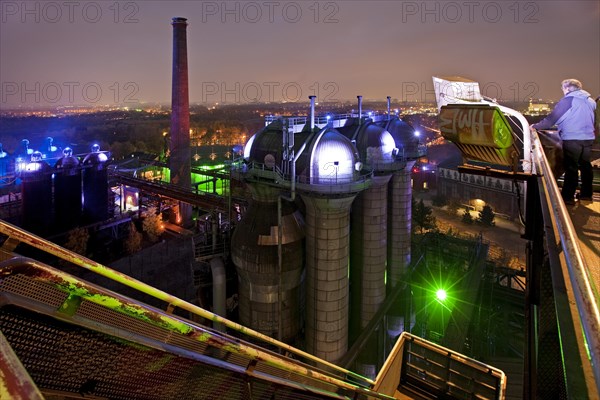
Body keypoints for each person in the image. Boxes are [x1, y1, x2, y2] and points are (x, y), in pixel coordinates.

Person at [531, 79, 596, 204]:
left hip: (572, 137)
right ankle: (587, 194)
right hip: (588, 137)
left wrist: (535, 126)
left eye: (563, 89)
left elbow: (553, 118)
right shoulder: (590, 100)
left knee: (571, 167)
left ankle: (568, 197)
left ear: (567, 88)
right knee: (585, 166)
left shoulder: (568, 100)